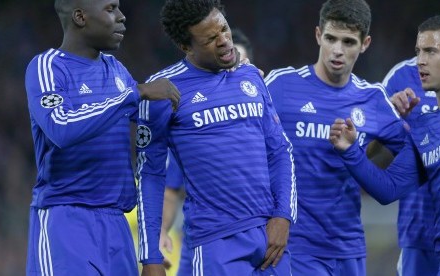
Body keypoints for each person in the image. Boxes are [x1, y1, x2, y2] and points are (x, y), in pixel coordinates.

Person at [136, 0, 297, 275]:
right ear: (186, 47)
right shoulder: (163, 90)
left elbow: (280, 151)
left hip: (270, 239)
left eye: (224, 29)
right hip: (216, 244)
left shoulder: (250, 77)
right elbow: (150, 175)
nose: (224, 41)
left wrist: (283, 215)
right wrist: (150, 254)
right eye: (211, 39)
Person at [24, 0, 180, 275]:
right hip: (67, 220)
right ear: (80, 17)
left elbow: (150, 128)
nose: (121, 17)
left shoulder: (116, 70)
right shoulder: (47, 67)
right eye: (111, 9)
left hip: (116, 225)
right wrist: (136, 93)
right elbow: (61, 127)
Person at [264, 0, 407, 275]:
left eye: (348, 42)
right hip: (295, 245)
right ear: (318, 35)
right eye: (330, 38)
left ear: (365, 43)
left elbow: (413, 154)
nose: (337, 51)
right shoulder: (280, 86)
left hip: (349, 247)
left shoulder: (374, 98)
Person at [330, 14, 440, 276]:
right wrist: (351, 151)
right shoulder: (425, 128)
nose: (421, 60)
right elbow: (388, 188)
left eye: (431, 51)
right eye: (418, 51)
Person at [158, 27, 260, 275]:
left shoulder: (266, 126)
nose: (231, 71)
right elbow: (172, 190)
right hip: (202, 245)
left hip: (256, 243)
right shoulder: (194, 133)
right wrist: (160, 233)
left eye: (239, 63)